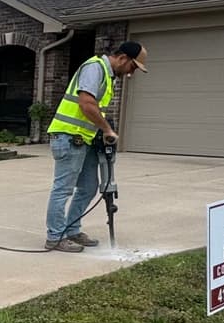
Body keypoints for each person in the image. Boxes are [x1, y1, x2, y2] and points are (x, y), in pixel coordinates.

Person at [44, 40, 147, 252]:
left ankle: (72, 230)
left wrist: (101, 131)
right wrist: (107, 129)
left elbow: (95, 110)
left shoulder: (109, 77)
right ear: (122, 58)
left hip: (84, 139)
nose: (132, 73)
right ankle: (54, 237)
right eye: (133, 67)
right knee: (63, 189)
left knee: (90, 187)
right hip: (69, 137)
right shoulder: (94, 68)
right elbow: (86, 105)